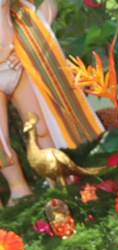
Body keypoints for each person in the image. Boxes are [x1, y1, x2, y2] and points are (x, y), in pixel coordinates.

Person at [0, 0, 104, 200]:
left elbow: (48, 4)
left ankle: (56, 179)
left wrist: (27, 46)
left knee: (39, 126)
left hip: (17, 63)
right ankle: (18, 187)